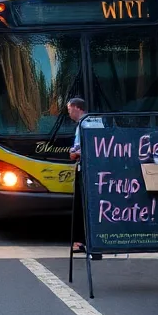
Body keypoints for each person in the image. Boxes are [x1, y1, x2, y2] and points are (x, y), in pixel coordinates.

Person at [67, 97, 87, 254]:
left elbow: (81, 151)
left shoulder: (83, 125)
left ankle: (79, 242)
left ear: (76, 108)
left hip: (84, 170)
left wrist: (73, 153)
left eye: (69, 109)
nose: (68, 113)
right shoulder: (94, 122)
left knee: (80, 206)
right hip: (95, 172)